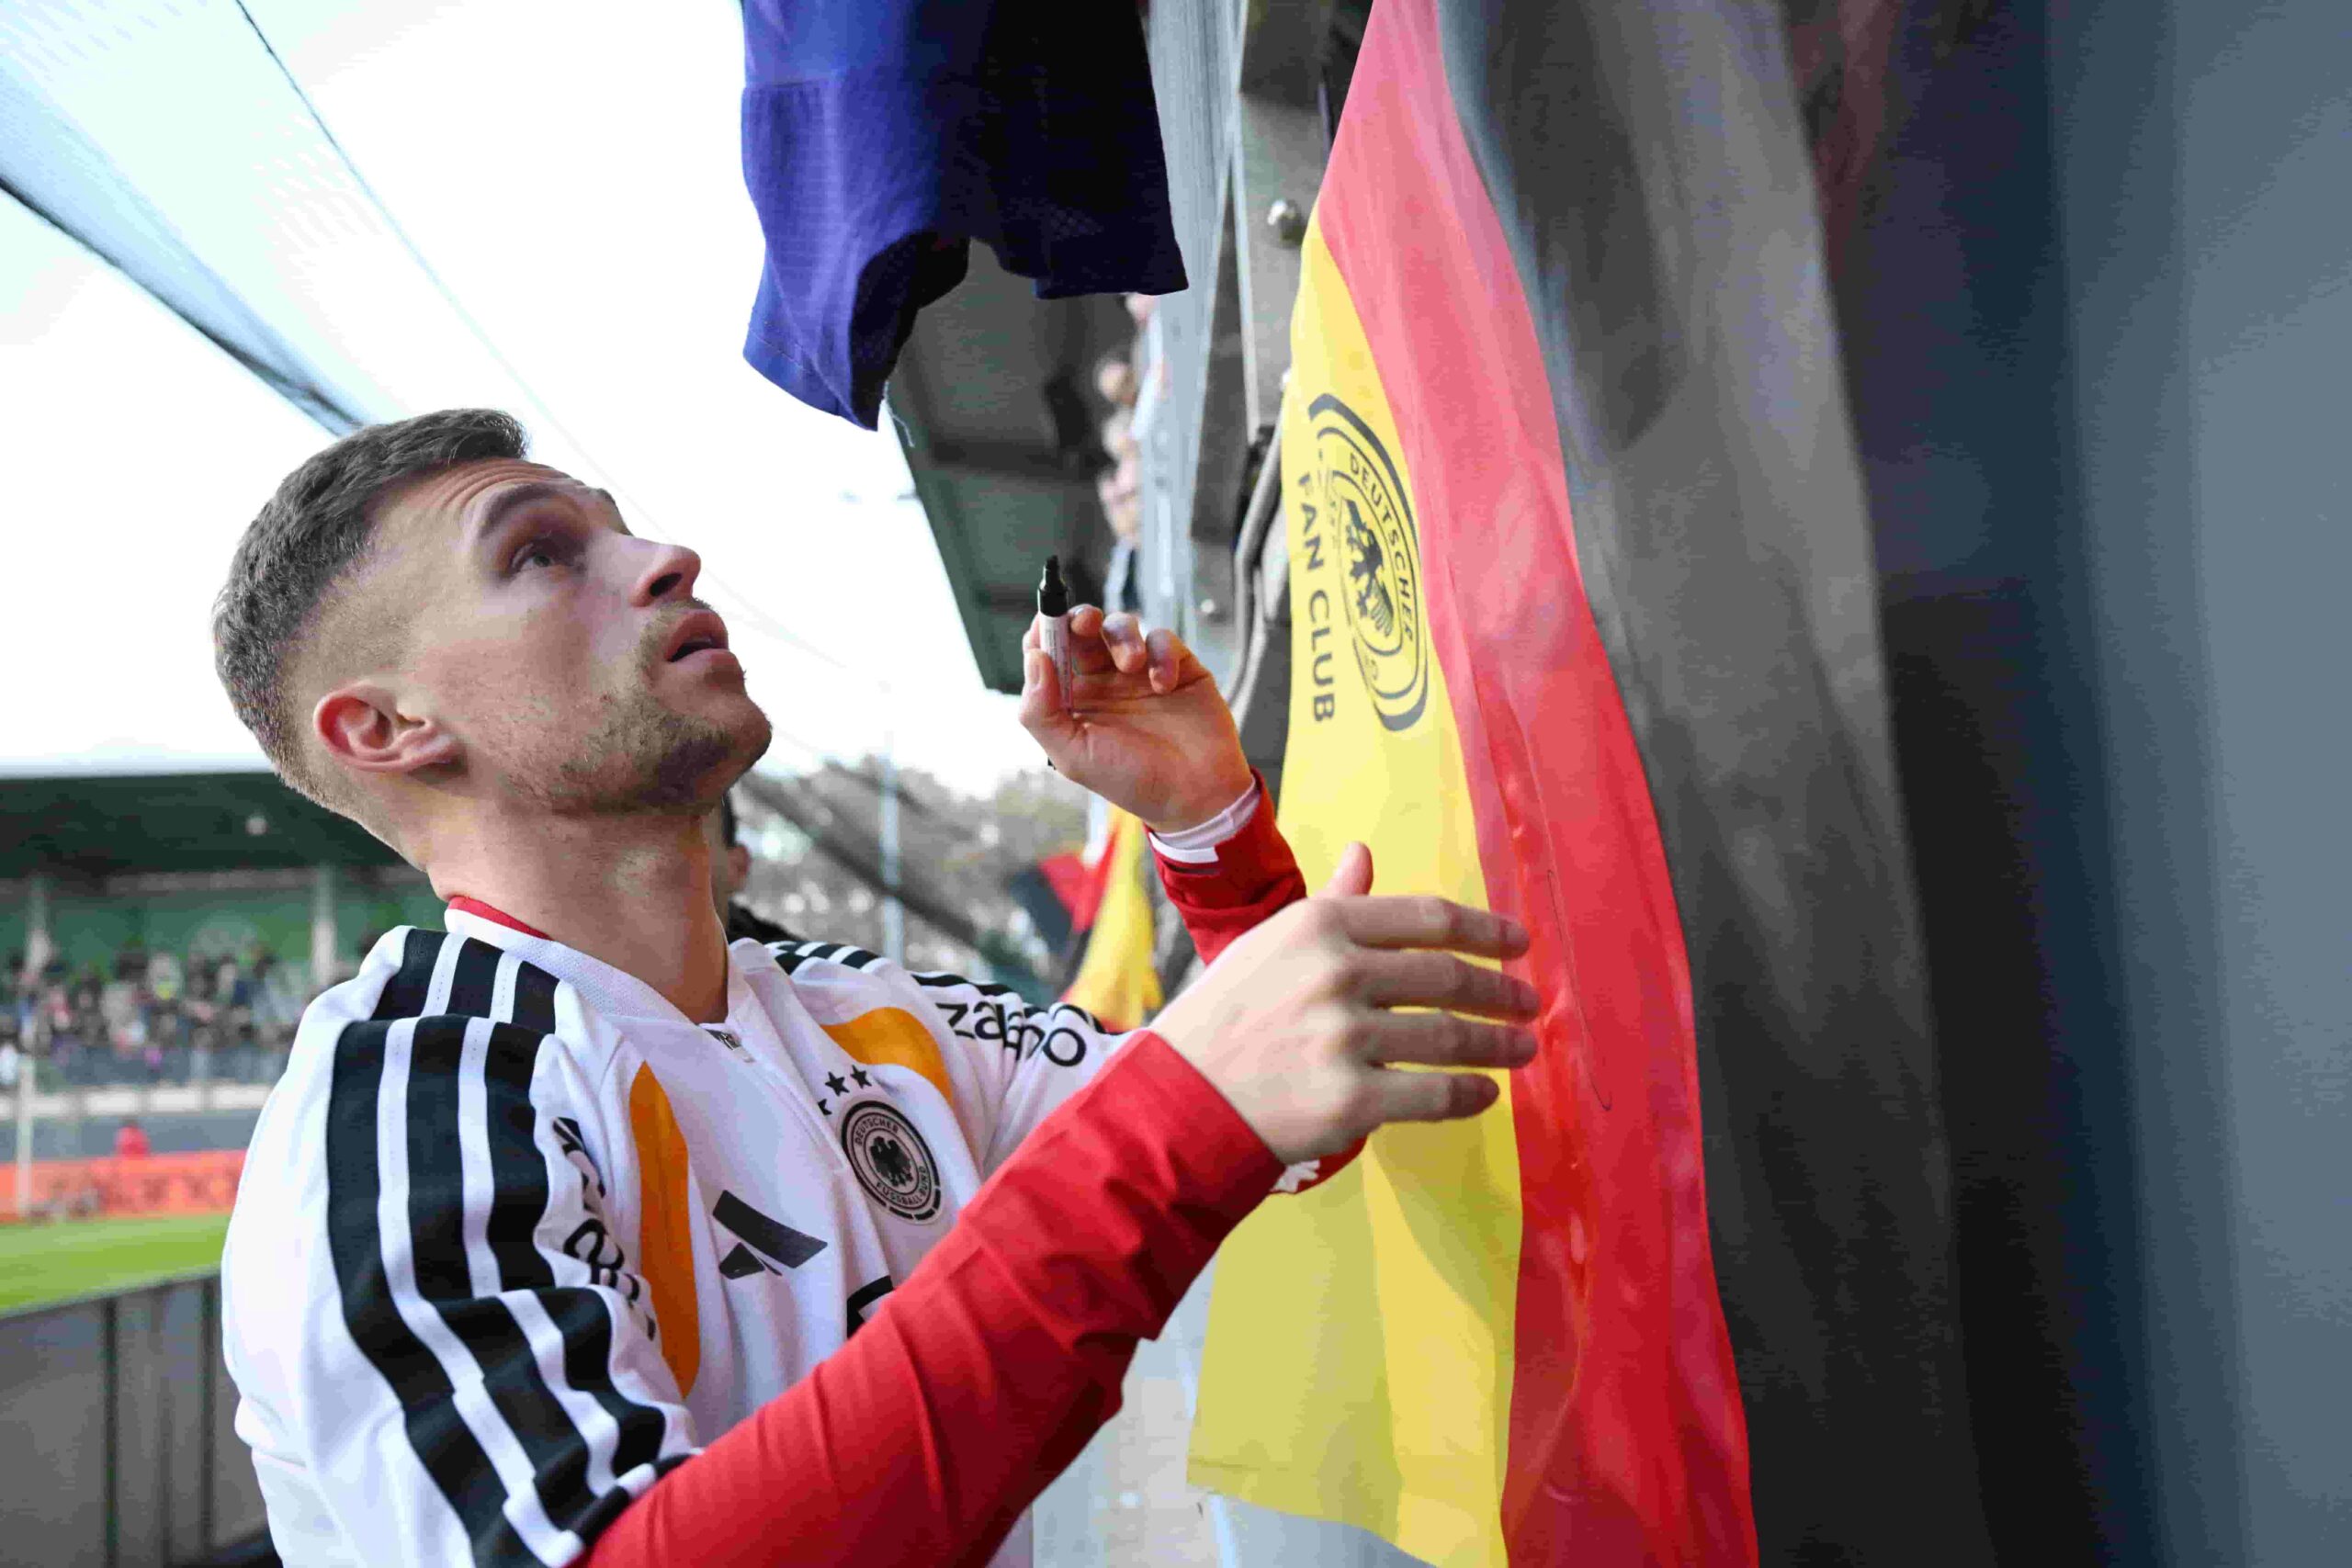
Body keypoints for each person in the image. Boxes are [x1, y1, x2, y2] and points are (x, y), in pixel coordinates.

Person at [211, 410, 1536, 1568]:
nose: (662, 559)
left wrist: (1207, 830)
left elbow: (1279, 1122)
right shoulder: (403, 1108)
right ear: (383, 730)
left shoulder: (864, 1013)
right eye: (542, 553)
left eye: (617, 528)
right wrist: (1174, 1125)